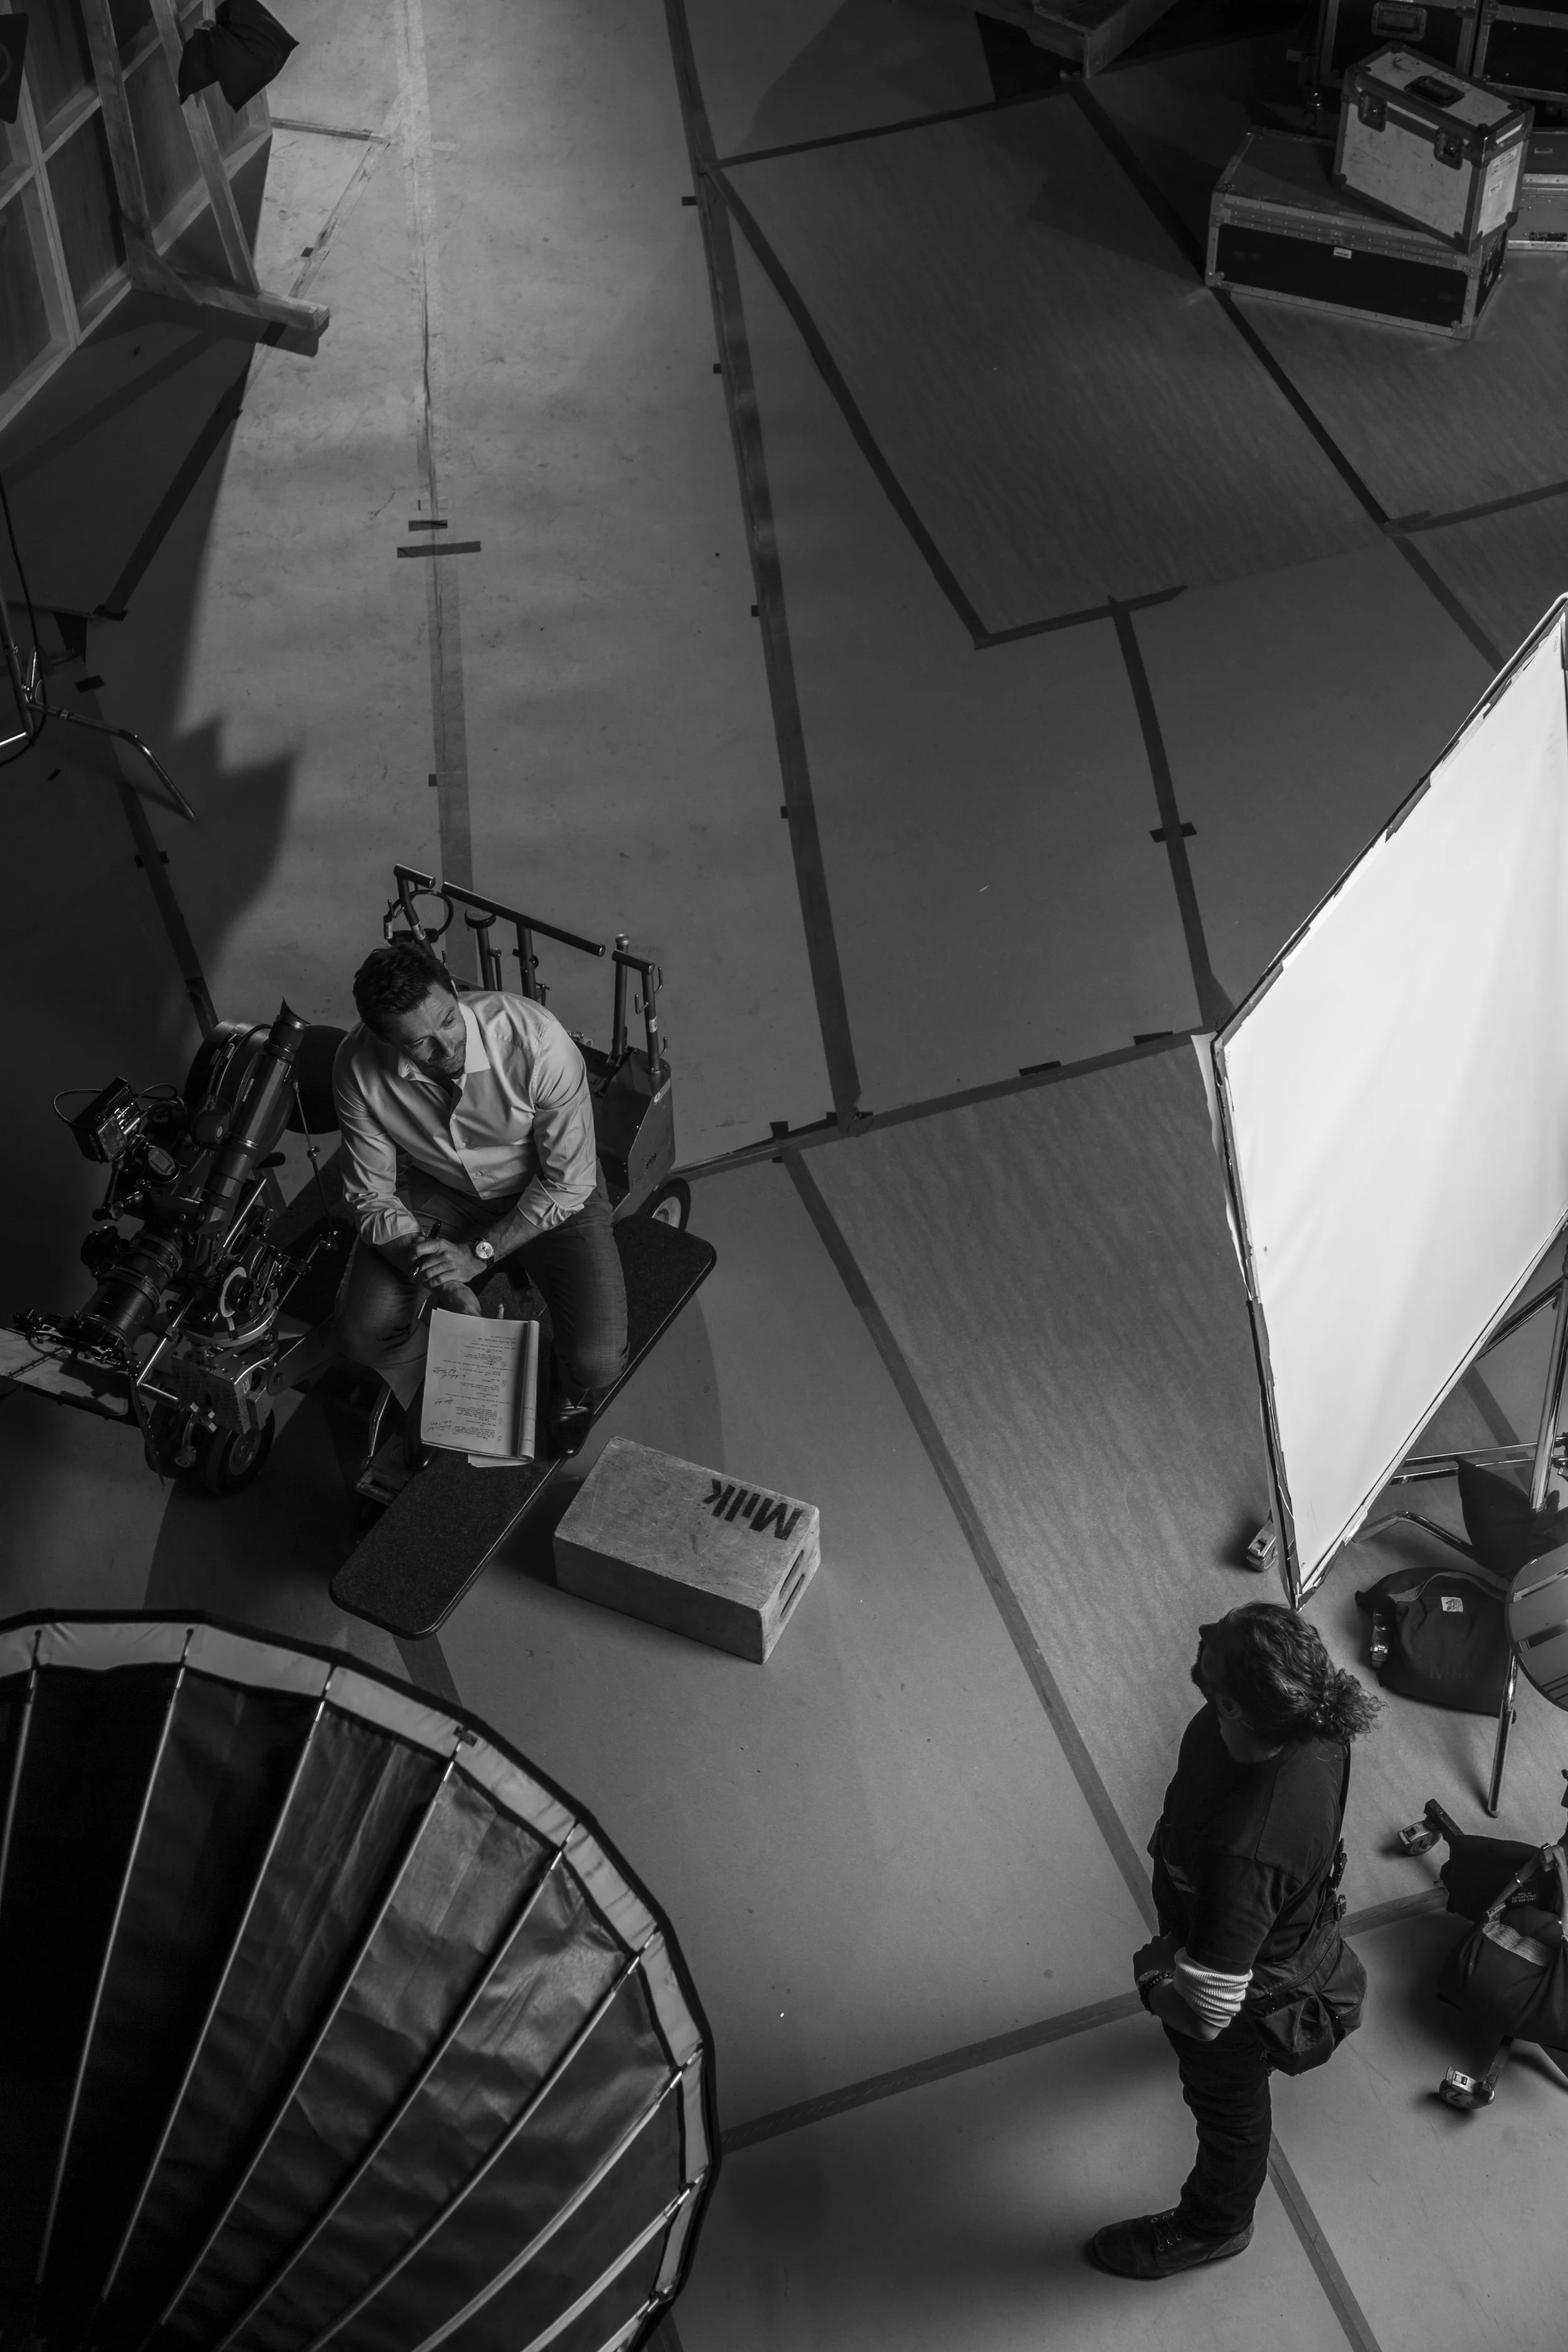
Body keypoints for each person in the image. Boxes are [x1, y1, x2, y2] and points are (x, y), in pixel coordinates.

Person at [1089, 1603, 1380, 2282]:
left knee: (1228, 2103)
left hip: (1243, 1984)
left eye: (1218, 1700)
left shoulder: (1252, 1850)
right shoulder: (1318, 1724)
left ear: (1243, 1710)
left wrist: (1155, 1979)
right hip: (1249, 1920)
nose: (1208, 1706)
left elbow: (1208, 2012)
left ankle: (1215, 2226)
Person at [326, 938, 628, 1453]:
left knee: (598, 1361)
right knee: (364, 1333)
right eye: (419, 1043)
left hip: (550, 1191)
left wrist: (476, 1257)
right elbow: (369, 1195)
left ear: (455, 991)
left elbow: (569, 1181)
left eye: (447, 1020)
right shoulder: (356, 1065)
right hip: (443, 1189)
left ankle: (570, 1392)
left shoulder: (537, 1041)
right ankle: (452, 1377)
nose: (445, 1049)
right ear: (385, 1040)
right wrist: (435, 1274)